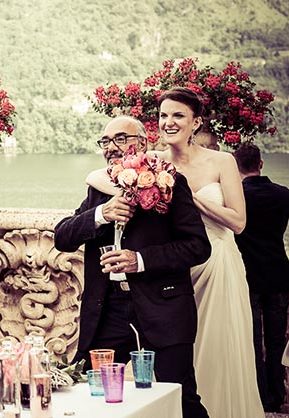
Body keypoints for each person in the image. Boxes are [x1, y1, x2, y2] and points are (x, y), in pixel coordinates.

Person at [54, 115, 211, 418]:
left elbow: (198, 246)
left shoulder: (170, 181)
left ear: (143, 143)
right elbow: (62, 237)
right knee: (88, 391)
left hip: (163, 307)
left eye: (120, 139)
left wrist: (139, 260)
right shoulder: (99, 188)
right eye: (105, 141)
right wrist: (101, 213)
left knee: (181, 398)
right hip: (108, 309)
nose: (111, 147)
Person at [156, 87, 263, 418]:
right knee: (176, 354)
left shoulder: (222, 161)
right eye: (163, 115)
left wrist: (190, 197)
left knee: (215, 347)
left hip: (217, 264)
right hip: (176, 269)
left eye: (178, 115)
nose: (168, 122)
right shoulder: (153, 163)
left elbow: (239, 222)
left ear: (195, 122)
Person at [233, 142, 289, 412]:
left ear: (236, 167)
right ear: (261, 164)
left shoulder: (236, 198)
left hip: (249, 276)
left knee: (253, 340)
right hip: (279, 273)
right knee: (277, 341)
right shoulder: (284, 194)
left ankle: (259, 395)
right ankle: (278, 397)